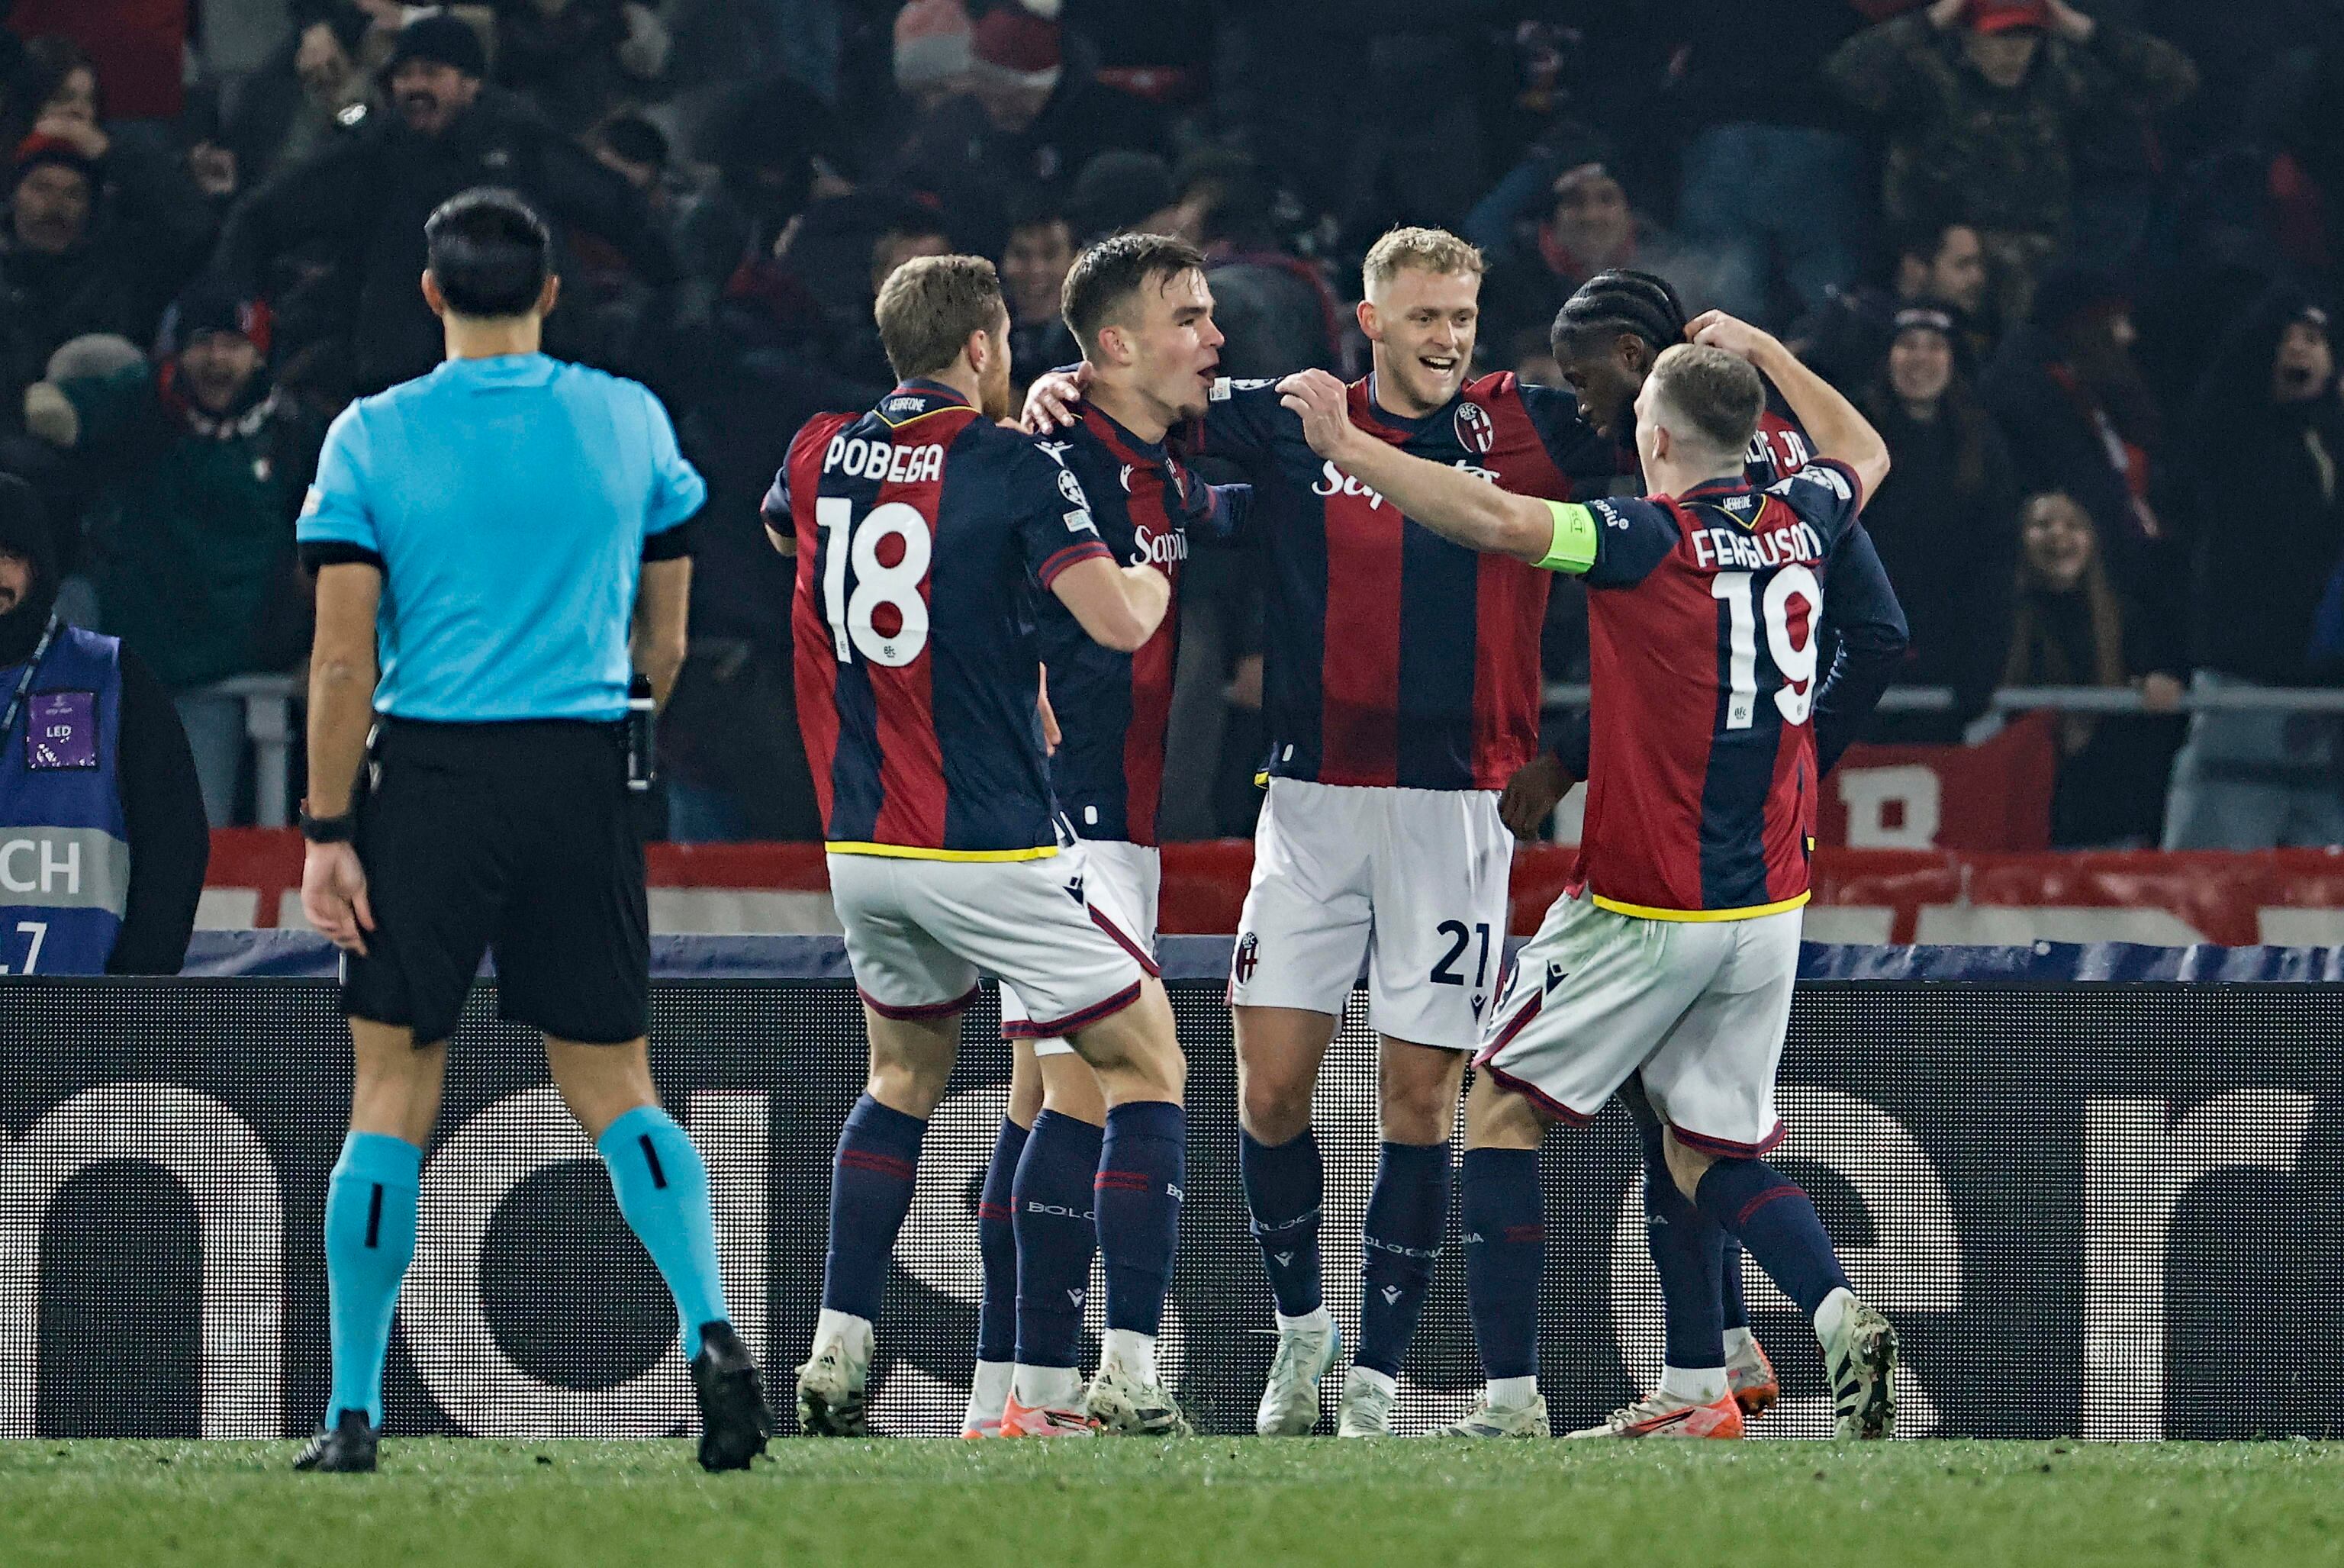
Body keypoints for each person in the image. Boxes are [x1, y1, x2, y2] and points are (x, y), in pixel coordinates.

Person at [1273, 314, 1908, 1442]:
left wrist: (1350, 444)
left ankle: (1511, 1399)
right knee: (1708, 1145)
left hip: (1645, 900)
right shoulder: (1806, 512)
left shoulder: (1643, 536)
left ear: (1655, 439)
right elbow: (1865, 449)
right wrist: (1771, 351)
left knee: (1502, 1110)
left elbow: (1495, 516)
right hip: (1768, 902)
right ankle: (1821, 1315)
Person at [1026, 226, 1610, 1438]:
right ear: (1371, 320)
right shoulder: (1295, 419)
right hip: (1308, 801)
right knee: (1272, 1087)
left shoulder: (1531, 425)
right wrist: (1056, 383)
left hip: (1458, 808)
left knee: (1417, 1096)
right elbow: (1142, 397)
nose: (1447, 338)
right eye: (1423, 317)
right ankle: (1302, 1335)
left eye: (1462, 315)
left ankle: (1379, 1380)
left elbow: (1670, 444)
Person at [289, 188, 767, 1473]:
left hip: (432, 779)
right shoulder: (628, 420)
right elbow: (662, 643)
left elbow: (341, 661)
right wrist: (608, 740)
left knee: (391, 1089)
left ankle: (351, 1411)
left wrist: (330, 827)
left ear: (431, 293)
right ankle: (713, 1327)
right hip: (583, 768)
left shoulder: (370, 438)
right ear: (553, 291)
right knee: (616, 1082)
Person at [774, 254, 1191, 1438]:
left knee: (902, 1078)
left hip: (861, 839)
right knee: (1148, 1065)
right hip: (990, 842)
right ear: (980, 349)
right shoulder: (1009, 463)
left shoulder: (814, 449)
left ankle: (836, 1347)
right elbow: (1112, 616)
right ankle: (1129, 1367)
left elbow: (789, 542)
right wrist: (1153, 579)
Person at [1496, 269, 1909, 1438]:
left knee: (1665, 1114)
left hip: (1712, 849)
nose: (1579, 412)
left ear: (1642, 366)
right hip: (1740, 856)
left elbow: (1875, 632)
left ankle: (1707, 1364)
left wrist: (1780, 754)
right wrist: (1582, 756)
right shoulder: (1704, 465)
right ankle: (1718, 1361)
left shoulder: (1763, 465)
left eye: (1587, 383)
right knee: (1681, 1118)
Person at [957, 234, 1244, 1439]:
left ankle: (1002, 1396)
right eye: (1190, 318)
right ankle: (1107, 1374)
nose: (1216, 338)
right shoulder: (1045, 461)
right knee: (1125, 1084)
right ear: (1112, 344)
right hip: (1068, 822)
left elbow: (1220, 495)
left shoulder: (1158, 462)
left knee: (1038, 1103)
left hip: (1108, 828)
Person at [212, 11, 681, 394]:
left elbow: (618, 210)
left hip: (531, 368)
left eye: (432, 74)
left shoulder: (520, 142)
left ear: (471, 83)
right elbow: (266, 217)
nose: (416, 87)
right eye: (405, 75)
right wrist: (231, 311)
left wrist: (679, 290)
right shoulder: (377, 155)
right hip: (407, 374)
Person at [24, 279, 325, 824]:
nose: (216, 359)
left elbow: (329, 553)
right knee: (62, 807)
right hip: (109, 661)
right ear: (177, 350)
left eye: (233, 345)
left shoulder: (295, 435)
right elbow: (56, 410)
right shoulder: (142, 402)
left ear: (259, 355)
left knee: (191, 835)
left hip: (213, 680)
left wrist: (316, 645)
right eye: (203, 342)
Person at [1825, 0, 2196, 320]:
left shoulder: (2059, 74)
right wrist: (1932, 19)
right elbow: (1845, 75)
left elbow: (2174, 80)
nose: (2014, 51)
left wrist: (2079, 28)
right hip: (1938, 259)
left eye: (2026, 37)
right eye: (1999, 37)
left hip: (2037, 263)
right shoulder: (1927, 71)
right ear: (1968, 34)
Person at [0, 474, 207, 977]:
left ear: (39, 564)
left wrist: (129, 993)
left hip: (84, 1029)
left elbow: (175, 842)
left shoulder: (110, 678)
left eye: (7, 554)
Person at [2166, 290, 2344, 848]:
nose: (2299, 350)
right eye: (2287, 340)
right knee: (2210, 887)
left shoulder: (2333, 443)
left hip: (2326, 698)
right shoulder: (2234, 434)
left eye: (2314, 341)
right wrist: (2279, 310)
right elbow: (2226, 384)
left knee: (2322, 910)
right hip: (2243, 686)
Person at [1859, 304, 2022, 739]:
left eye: (1934, 347)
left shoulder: (1984, 448)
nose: (1920, 359)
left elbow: (1996, 560)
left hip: (1949, 666)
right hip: (1861, 661)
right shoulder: (1852, 437)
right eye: (1908, 345)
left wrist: (1981, 666)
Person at [2004, 491, 2184, 845]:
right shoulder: (2002, 621)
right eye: (2042, 524)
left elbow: (2160, 675)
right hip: (2025, 808)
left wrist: (2158, 682)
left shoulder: (2126, 618)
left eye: (2073, 525)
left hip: (2109, 814)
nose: (2059, 535)